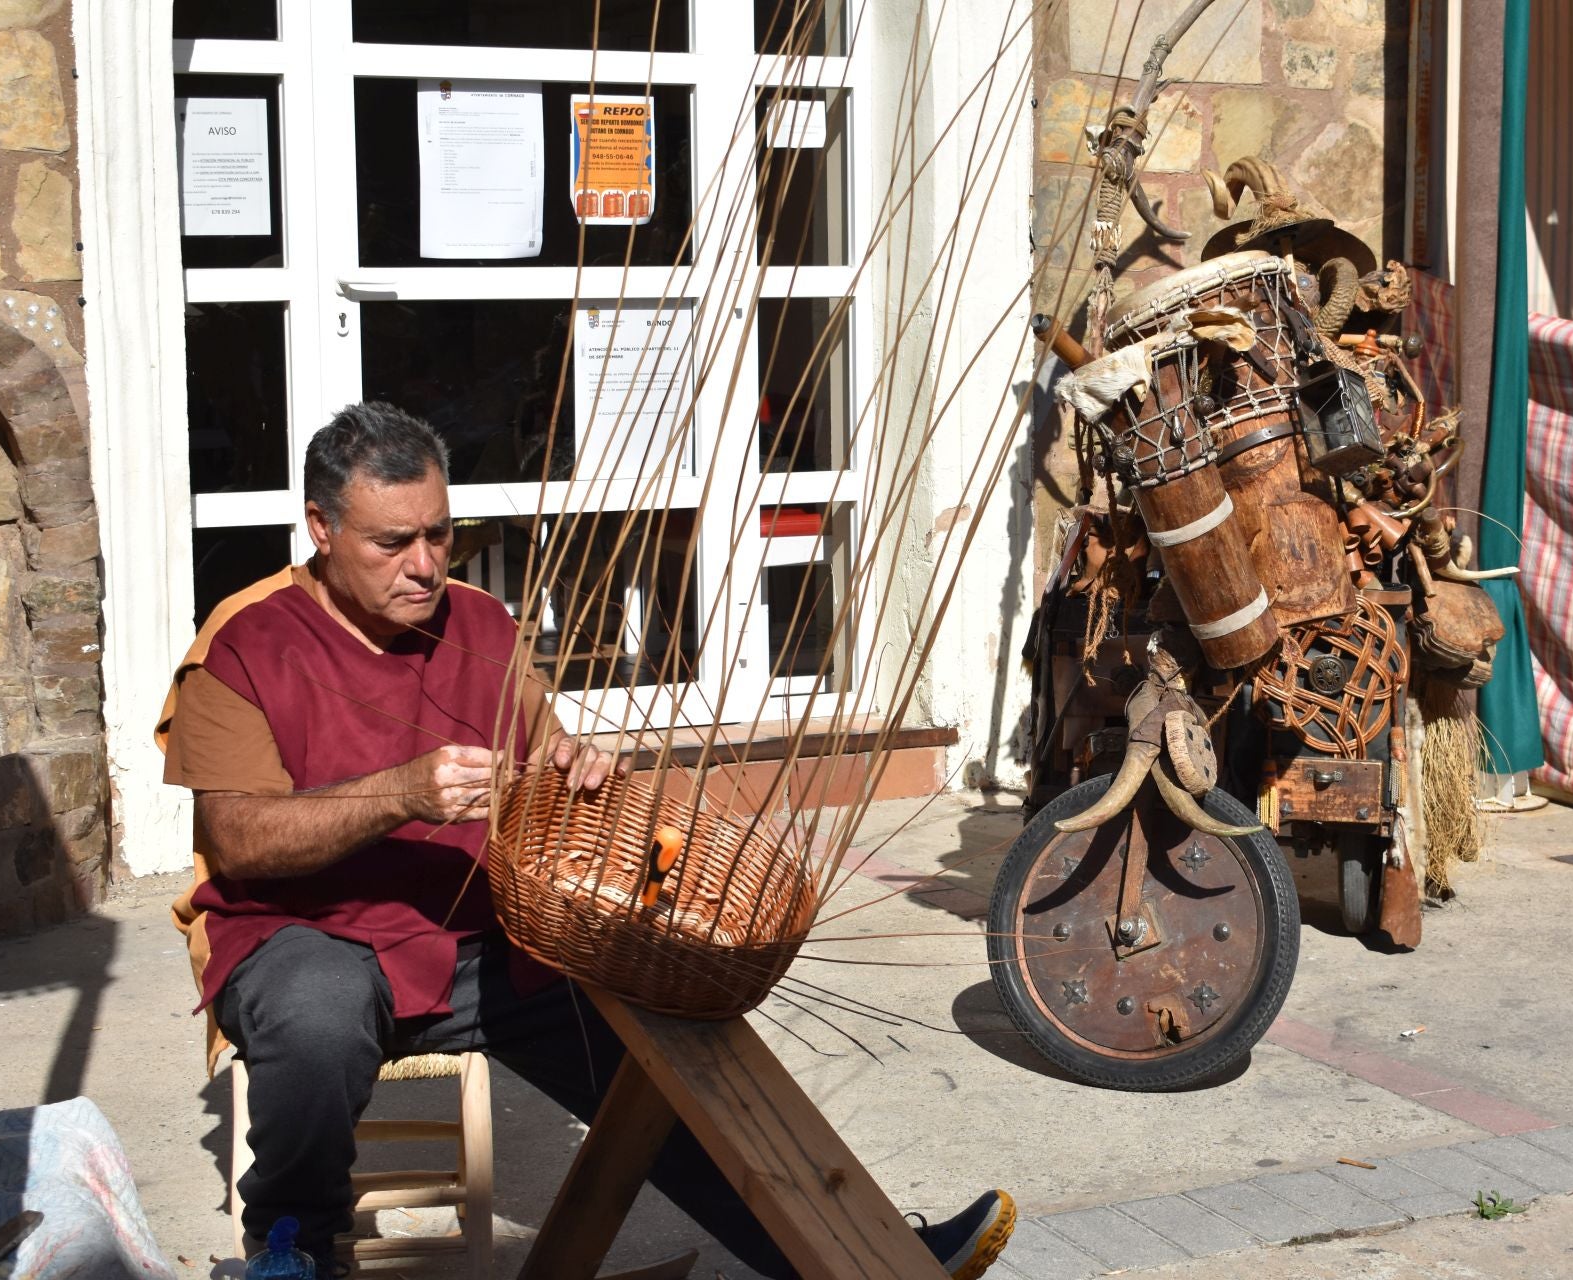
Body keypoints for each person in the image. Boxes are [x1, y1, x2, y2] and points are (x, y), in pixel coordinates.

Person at [157, 402, 1015, 1279]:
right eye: (391, 543)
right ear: (321, 529)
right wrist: (402, 792)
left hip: (482, 934)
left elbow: (540, 775)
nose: (423, 566)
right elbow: (241, 842)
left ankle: (864, 1253)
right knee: (318, 1007)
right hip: (307, 932)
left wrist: (574, 768)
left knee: (670, 1021)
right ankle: (291, 1247)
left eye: (439, 536)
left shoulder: (482, 623)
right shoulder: (246, 641)